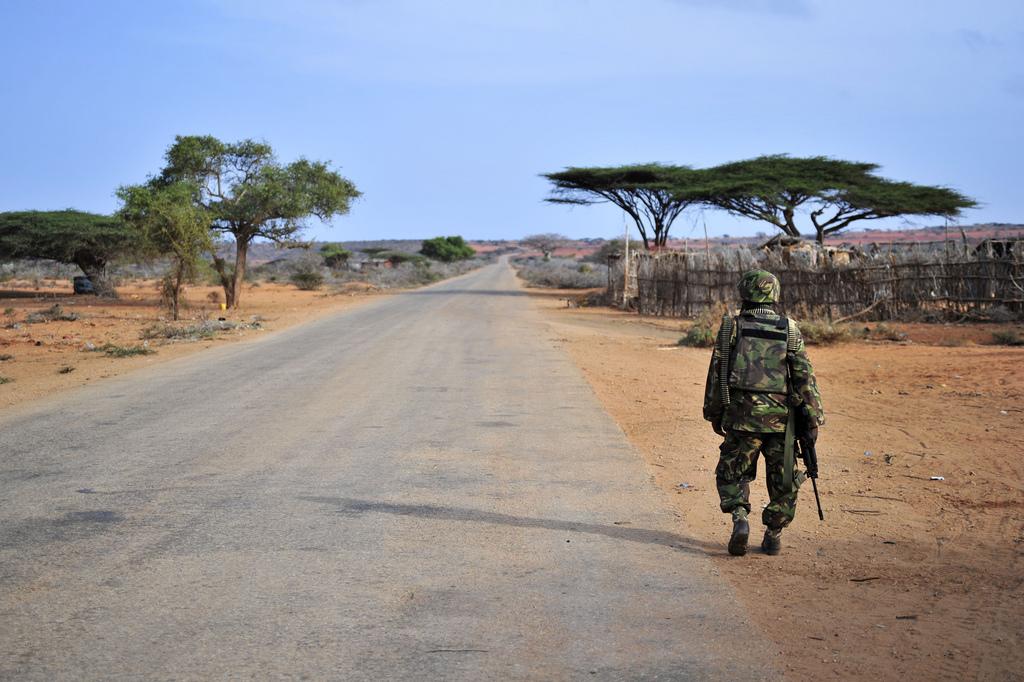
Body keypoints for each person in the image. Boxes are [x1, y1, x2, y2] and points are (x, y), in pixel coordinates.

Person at [703, 270, 824, 556]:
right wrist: (813, 420)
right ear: (774, 295)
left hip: (741, 419)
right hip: (783, 422)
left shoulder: (731, 328)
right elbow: (805, 378)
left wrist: (714, 414)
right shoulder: (790, 329)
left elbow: (717, 374)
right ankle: (773, 532)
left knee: (732, 473)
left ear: (744, 293)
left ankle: (740, 519)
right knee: (783, 479)